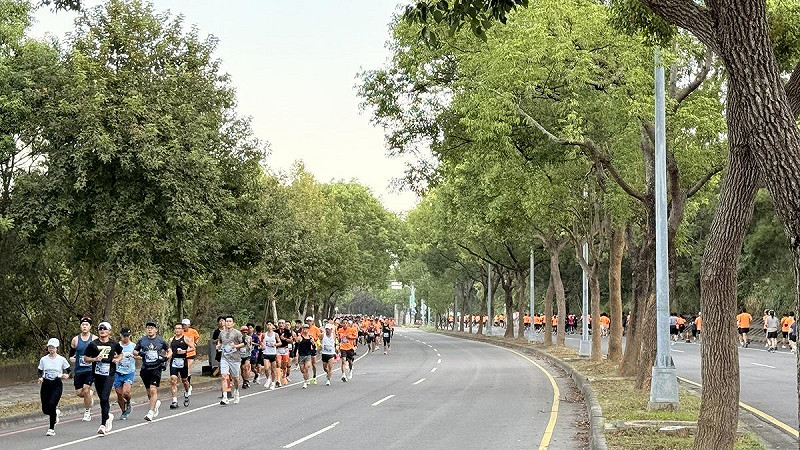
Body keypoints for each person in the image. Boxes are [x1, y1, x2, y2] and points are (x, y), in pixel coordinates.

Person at [83, 321, 123, 435]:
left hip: (109, 374)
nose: (102, 330)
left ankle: (102, 424)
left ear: (109, 331)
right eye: (100, 328)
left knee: (105, 397)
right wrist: (94, 359)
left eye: (105, 328)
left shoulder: (114, 344)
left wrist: (118, 359)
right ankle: (107, 416)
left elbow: (121, 353)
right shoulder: (93, 344)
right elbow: (85, 358)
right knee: (102, 399)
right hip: (97, 374)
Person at [134, 321, 171, 421]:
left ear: (156, 330)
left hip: (156, 368)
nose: (150, 329)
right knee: (148, 391)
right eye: (148, 327)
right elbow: (135, 351)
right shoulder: (142, 340)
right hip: (145, 368)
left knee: (153, 389)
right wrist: (140, 353)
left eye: (152, 327)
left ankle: (150, 412)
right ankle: (155, 405)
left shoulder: (160, 340)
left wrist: (165, 358)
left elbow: (169, 350)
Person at [39, 338, 70, 436]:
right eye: (49, 347)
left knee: (52, 404)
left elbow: (68, 370)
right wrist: (40, 377)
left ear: (56, 348)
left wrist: (66, 375)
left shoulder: (61, 359)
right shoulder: (44, 359)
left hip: (56, 384)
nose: (51, 349)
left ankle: (51, 428)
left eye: (53, 347)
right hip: (46, 384)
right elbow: (39, 370)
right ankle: (55, 414)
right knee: (45, 408)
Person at [69, 316, 96, 422]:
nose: (84, 327)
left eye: (87, 325)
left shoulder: (94, 339)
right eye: (83, 325)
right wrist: (71, 358)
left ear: (90, 327)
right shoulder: (75, 339)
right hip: (79, 369)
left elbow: (99, 352)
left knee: (85, 389)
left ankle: (87, 412)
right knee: (80, 393)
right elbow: (72, 353)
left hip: (90, 369)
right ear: (80, 326)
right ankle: (89, 396)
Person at [216, 315, 245, 405]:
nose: (228, 323)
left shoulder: (237, 333)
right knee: (224, 376)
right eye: (227, 321)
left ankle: (236, 391)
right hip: (224, 358)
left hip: (235, 359)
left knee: (235, 378)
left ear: (233, 323)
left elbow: (243, 343)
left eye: (230, 321)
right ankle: (225, 397)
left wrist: (235, 346)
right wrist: (218, 345)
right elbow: (220, 341)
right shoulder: (222, 333)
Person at [169, 323, 194, 409]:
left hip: (183, 361)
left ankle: (187, 391)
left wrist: (184, 351)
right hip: (174, 361)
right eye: (176, 328)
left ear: (182, 330)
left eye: (179, 328)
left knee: (184, 381)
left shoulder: (185, 339)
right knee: (173, 379)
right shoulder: (171, 339)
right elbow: (169, 350)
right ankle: (174, 401)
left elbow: (193, 347)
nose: (177, 330)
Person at [114, 327, 135, 420]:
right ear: (120, 335)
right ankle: (123, 411)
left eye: (127, 336)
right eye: (124, 336)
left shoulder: (133, 346)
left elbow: (140, 356)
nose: (125, 338)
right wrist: (118, 357)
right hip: (118, 372)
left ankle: (129, 401)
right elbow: (112, 355)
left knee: (125, 392)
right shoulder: (116, 345)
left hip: (129, 372)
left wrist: (133, 355)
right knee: (119, 393)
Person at [181, 318, 200, 392]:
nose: (184, 326)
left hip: (191, 352)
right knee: (183, 368)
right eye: (183, 325)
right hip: (183, 352)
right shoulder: (181, 332)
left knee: (187, 367)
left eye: (185, 325)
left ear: (189, 325)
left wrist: (195, 343)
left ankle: (188, 384)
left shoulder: (193, 331)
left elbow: (197, 337)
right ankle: (187, 384)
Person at [295, 324, 316, 389]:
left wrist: (313, 343)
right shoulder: (300, 337)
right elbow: (296, 346)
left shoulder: (310, 338)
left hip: (308, 355)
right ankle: (307, 377)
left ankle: (305, 382)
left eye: (306, 329)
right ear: (302, 330)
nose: (305, 330)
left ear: (308, 329)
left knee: (306, 367)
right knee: (302, 370)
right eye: (304, 329)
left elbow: (314, 347)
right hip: (301, 356)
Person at [260, 323, 280, 389]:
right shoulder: (264, 334)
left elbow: (280, 343)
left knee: (273, 369)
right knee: (266, 368)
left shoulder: (275, 334)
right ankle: (268, 379)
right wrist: (262, 346)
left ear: (273, 326)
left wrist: (274, 344)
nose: (268, 326)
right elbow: (261, 341)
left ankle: (273, 382)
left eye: (270, 325)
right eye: (267, 324)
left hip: (273, 353)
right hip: (266, 353)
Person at [276, 319, 293, 386]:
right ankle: (278, 380)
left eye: (282, 323)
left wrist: (284, 339)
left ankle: (284, 377)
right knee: (278, 364)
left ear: (284, 324)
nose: (281, 324)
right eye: (279, 323)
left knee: (284, 365)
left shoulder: (287, 331)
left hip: (285, 349)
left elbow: (291, 340)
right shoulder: (275, 332)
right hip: (278, 349)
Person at [305, 316, 322, 384]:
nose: (309, 322)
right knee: (307, 364)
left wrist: (315, 339)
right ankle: (307, 378)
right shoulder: (304, 328)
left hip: (313, 348)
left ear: (312, 322)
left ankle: (314, 376)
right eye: (307, 321)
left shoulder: (315, 329)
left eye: (310, 321)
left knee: (314, 364)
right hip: (306, 348)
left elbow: (320, 336)